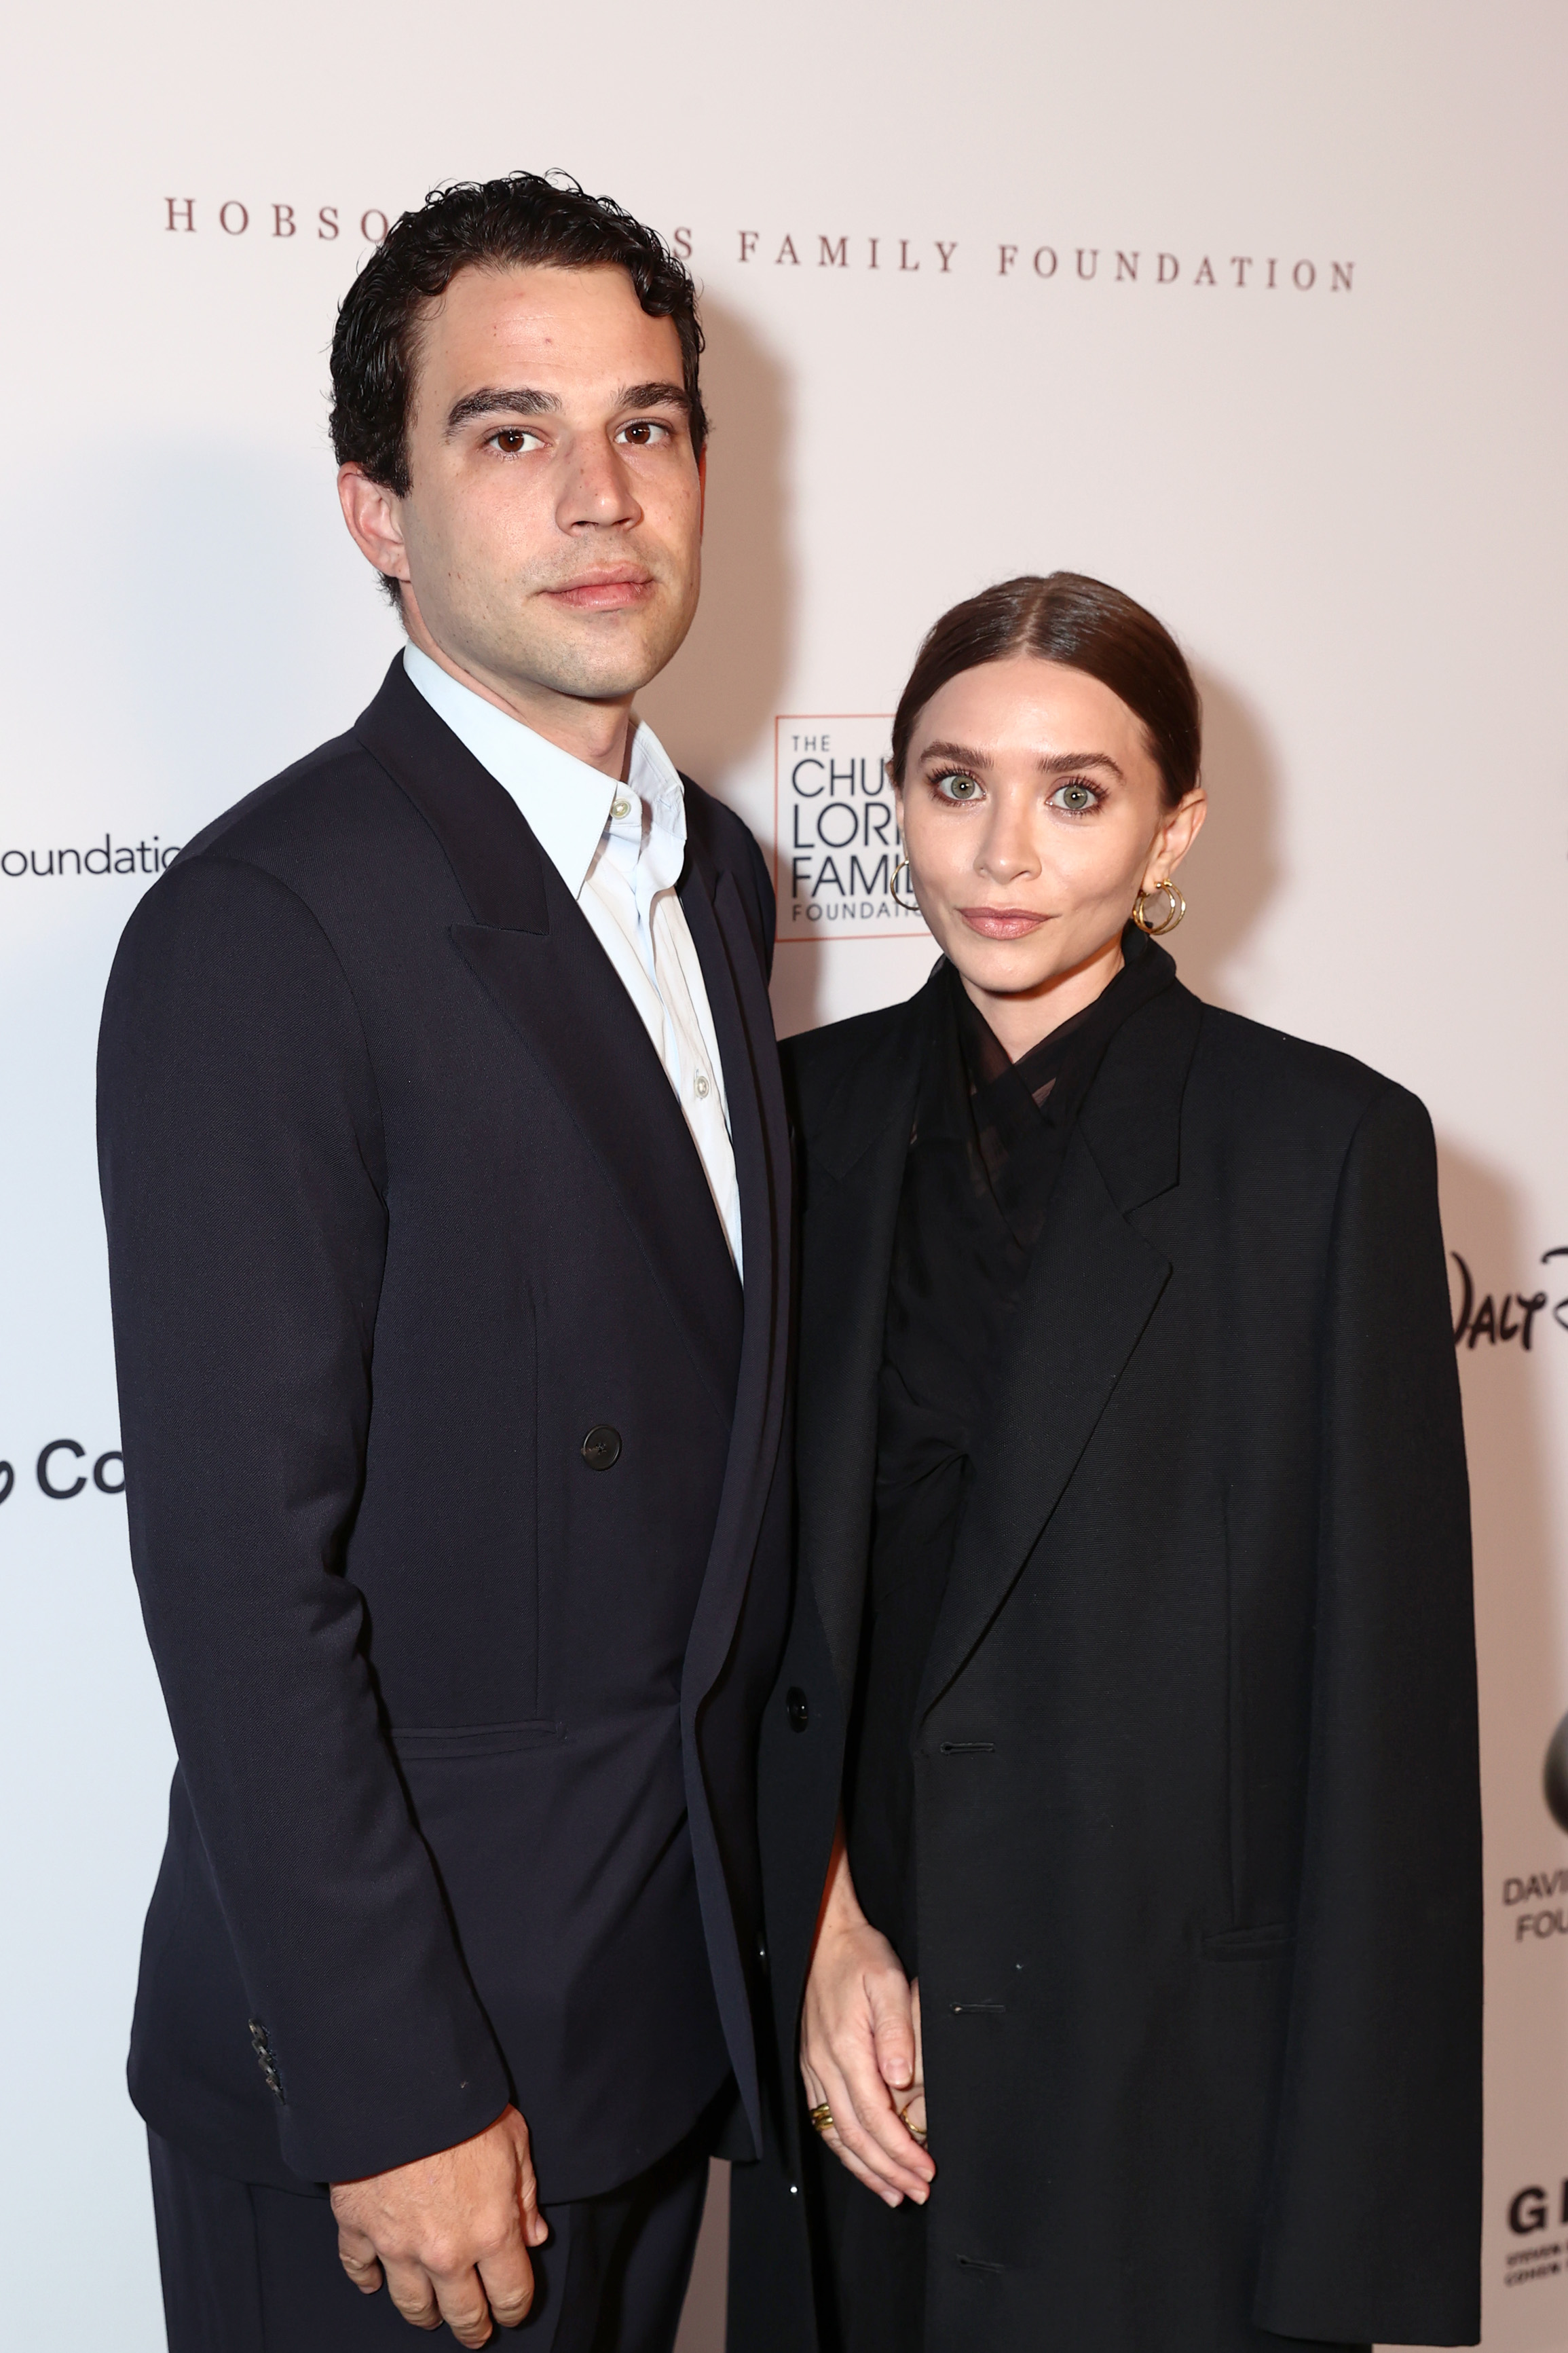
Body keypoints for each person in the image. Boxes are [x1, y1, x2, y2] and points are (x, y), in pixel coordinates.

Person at [98, 172, 791, 2353]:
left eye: (652, 426)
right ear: (375, 510)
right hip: (404, 2081)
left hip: (657, 2008)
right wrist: (393, 2086)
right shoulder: (267, 923)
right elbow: (237, 1573)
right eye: (511, 434)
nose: (603, 494)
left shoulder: (730, 881)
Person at [728, 573, 1480, 2353]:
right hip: (874, 2069)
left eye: (1077, 792)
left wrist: (1347, 2249)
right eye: (951, 779)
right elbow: (742, 1620)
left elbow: (1388, 1732)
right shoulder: (795, 1125)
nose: (1003, 849)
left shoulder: (1322, 1154)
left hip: (1180, 2114)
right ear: (893, 793)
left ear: (1173, 826)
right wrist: (818, 1926)